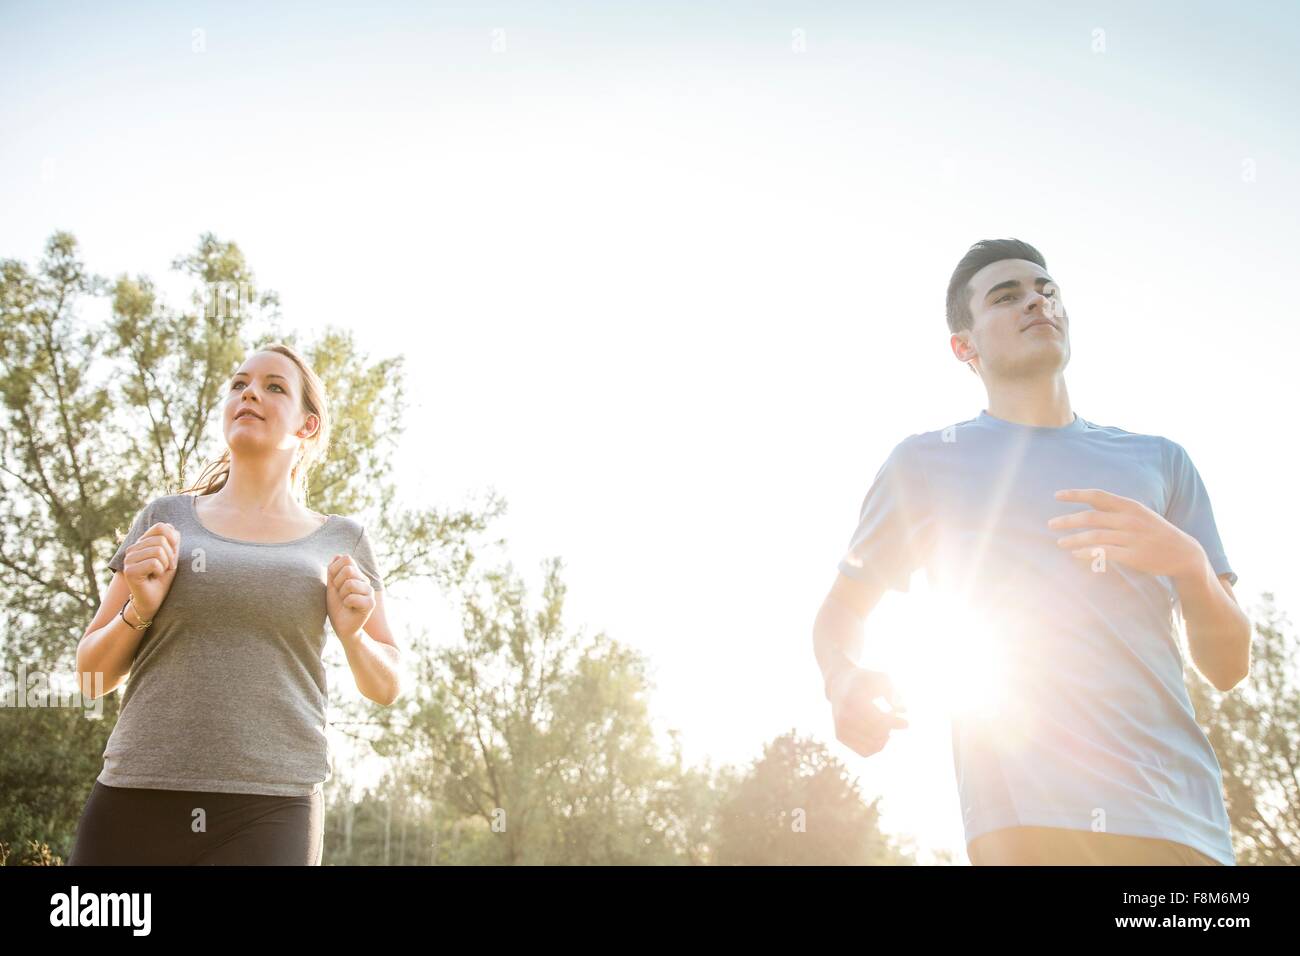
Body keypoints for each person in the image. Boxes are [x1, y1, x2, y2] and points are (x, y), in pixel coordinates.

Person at [813, 239, 1250, 866]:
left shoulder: (1161, 460)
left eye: (1046, 291)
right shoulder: (924, 464)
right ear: (965, 346)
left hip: (1186, 827)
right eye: (1007, 296)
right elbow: (840, 612)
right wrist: (842, 678)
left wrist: (1189, 563)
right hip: (1031, 825)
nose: (1037, 303)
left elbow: (1229, 666)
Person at [68, 343, 401, 865]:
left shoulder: (343, 539)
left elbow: (386, 686)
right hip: (136, 797)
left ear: (307, 426)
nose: (250, 392)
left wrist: (354, 635)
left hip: (270, 809)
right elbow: (91, 676)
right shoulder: (164, 518)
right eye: (239, 384)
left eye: (274, 386)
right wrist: (140, 608)